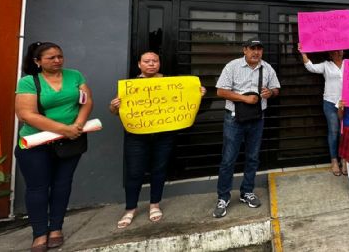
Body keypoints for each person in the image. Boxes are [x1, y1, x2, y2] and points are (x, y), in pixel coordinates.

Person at [109, 51, 206, 229]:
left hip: (164, 135)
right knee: (134, 172)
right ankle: (130, 209)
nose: (151, 64)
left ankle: (155, 204)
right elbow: (116, 112)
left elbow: (185, 101)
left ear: (159, 63)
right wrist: (114, 107)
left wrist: (197, 93)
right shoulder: (130, 86)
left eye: (155, 61)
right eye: (147, 61)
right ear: (139, 64)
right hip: (137, 136)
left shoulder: (171, 83)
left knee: (159, 169)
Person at [14, 42, 93, 251]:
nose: (57, 60)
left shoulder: (75, 76)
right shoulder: (29, 82)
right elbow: (26, 114)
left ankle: (56, 227)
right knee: (38, 188)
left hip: (70, 141)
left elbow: (87, 101)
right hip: (36, 144)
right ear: (37, 62)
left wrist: (77, 125)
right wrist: (62, 128)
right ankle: (39, 233)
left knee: (62, 185)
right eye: (51, 58)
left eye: (60, 56)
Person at [214, 38, 280, 218]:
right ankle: (223, 197)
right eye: (252, 49)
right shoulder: (232, 66)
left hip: (257, 118)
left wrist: (270, 93)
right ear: (245, 50)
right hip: (234, 118)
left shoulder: (267, 68)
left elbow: (276, 89)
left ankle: (247, 192)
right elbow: (220, 91)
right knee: (228, 159)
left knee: (252, 157)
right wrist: (244, 99)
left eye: (259, 49)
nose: (256, 52)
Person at [298, 39, 349, 176]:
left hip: (347, 103)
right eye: (334, 51)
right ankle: (334, 160)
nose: (338, 52)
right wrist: (303, 52)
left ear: (343, 51)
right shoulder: (326, 65)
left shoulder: (348, 64)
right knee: (333, 131)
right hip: (330, 103)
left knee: (345, 132)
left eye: (340, 50)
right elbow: (310, 67)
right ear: (330, 54)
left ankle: (344, 159)